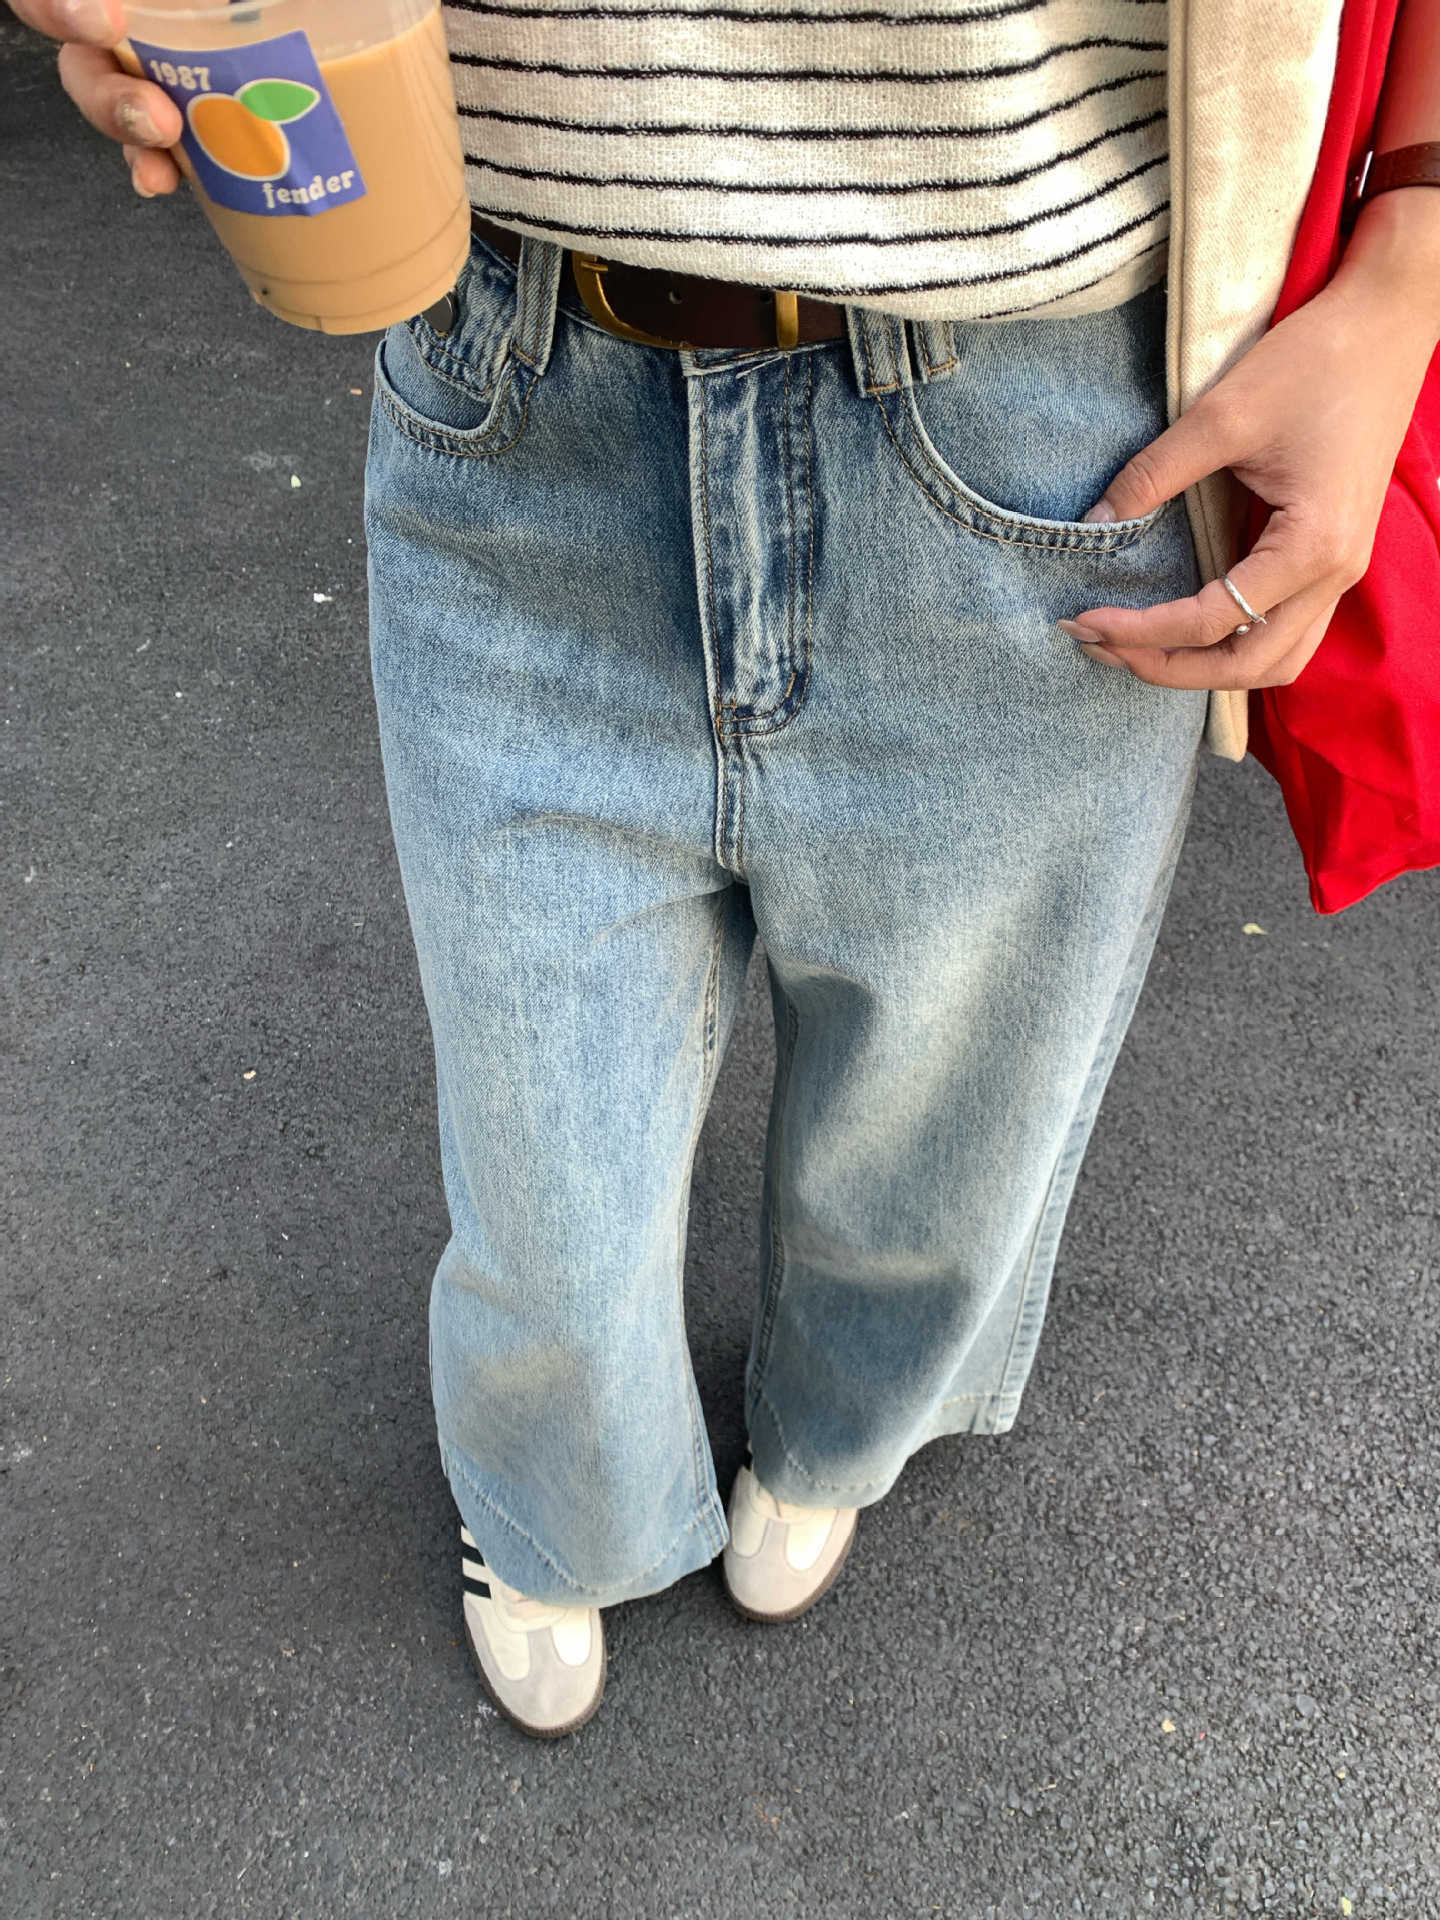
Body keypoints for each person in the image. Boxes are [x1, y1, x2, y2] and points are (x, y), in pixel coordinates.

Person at [19, 0, 1439, 1740]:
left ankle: (839, 1427)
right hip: (514, 382)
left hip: (1039, 424)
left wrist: (1413, 244)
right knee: (541, 1144)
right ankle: (559, 1492)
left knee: (945, 1120)